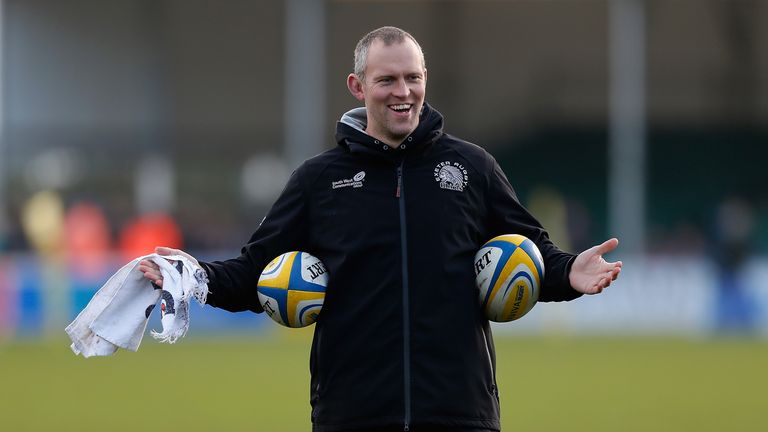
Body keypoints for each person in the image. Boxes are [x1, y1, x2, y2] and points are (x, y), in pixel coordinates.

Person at [140, 26, 622, 432]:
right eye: (387, 79)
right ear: (358, 85)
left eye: (413, 78)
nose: (403, 92)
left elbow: (535, 251)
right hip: (352, 414)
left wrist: (568, 273)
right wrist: (191, 277)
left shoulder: (472, 167)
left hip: (460, 412)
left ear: (425, 79)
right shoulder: (318, 180)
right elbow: (253, 272)